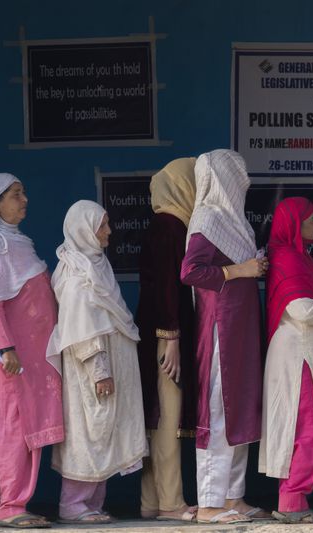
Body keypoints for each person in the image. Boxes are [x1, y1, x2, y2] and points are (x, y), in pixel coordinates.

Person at [0, 173, 63, 529]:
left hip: (29, 362)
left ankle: (3, 503)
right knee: (11, 432)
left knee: (21, 431)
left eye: (24, 193)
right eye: (16, 194)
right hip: (10, 361)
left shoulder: (17, 242)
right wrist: (6, 348)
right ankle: (10, 506)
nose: (24, 200)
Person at [180, 149, 271, 525]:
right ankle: (209, 502)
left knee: (242, 406)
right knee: (220, 408)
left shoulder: (234, 222)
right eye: (238, 177)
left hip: (241, 326)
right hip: (221, 326)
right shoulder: (208, 217)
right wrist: (240, 271)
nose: (243, 183)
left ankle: (233, 496)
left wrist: (253, 267)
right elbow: (191, 271)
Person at [48, 200, 148, 524]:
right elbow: (82, 329)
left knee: (101, 433)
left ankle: (91, 504)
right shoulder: (77, 276)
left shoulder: (96, 267)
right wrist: (99, 372)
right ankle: (73, 505)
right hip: (91, 374)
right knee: (89, 432)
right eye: (102, 225)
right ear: (84, 231)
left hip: (106, 372)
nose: (109, 231)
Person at [259, 197, 313, 524]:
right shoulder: (286, 258)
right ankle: (292, 501)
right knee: (309, 430)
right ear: (296, 224)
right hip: (300, 356)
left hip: (307, 353)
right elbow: (301, 309)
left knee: (307, 429)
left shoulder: (299, 257)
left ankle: (294, 499)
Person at [136, 158, 198, 521]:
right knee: (166, 420)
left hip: (159, 333)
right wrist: (171, 336)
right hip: (165, 337)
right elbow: (166, 287)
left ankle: (150, 502)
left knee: (157, 419)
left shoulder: (171, 225)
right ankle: (171, 503)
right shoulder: (169, 226)